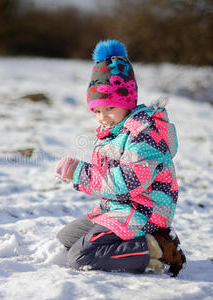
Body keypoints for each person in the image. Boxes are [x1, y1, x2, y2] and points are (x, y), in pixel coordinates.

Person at [55, 40, 186, 276]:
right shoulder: (113, 132)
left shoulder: (143, 134)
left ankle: (156, 248)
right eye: (96, 111)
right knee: (67, 238)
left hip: (145, 211)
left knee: (80, 256)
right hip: (117, 207)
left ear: (127, 103)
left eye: (109, 108)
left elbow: (128, 183)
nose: (103, 117)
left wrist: (79, 173)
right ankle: (133, 244)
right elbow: (108, 183)